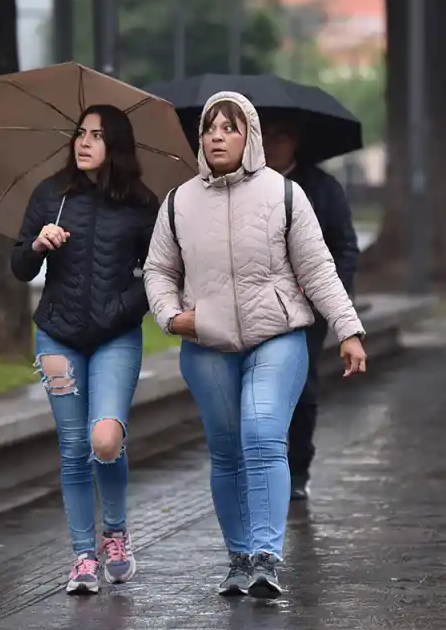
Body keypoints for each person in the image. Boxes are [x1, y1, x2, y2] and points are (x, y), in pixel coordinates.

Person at [144, 91, 367, 599]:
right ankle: (239, 557)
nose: (218, 136)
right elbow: (159, 269)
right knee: (226, 452)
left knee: (263, 435)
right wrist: (171, 316)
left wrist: (349, 330)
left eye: (230, 127)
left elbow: (319, 267)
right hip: (207, 344)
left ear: (251, 137)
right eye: (210, 128)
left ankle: (266, 556)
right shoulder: (179, 202)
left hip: (278, 336)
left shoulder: (284, 194)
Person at [10, 104, 158, 594]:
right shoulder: (51, 194)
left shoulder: (141, 204)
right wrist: (37, 245)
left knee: (104, 442)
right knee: (74, 449)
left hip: (116, 336)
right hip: (56, 337)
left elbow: (159, 273)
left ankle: (115, 534)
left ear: (115, 144)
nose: (84, 141)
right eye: (80, 133)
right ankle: (82, 557)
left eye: (96, 134)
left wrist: (122, 306)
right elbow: (18, 268)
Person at [262, 111, 360, 502]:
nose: (271, 143)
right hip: (257, 307)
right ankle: (265, 465)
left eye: (280, 135)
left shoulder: (322, 188)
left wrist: (331, 300)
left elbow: (346, 247)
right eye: (264, 134)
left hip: (306, 308)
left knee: (300, 388)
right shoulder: (243, 184)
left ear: (296, 141)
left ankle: (298, 464)